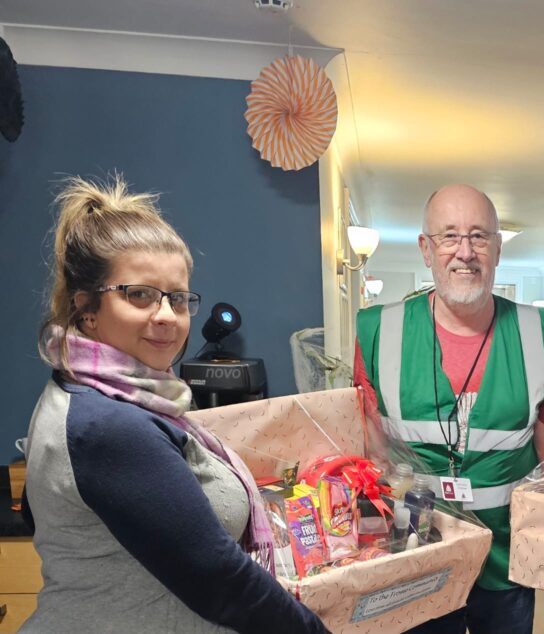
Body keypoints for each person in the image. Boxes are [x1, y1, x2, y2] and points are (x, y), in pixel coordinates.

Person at [21, 176, 328, 633]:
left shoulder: (97, 392)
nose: (166, 316)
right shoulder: (107, 423)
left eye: (178, 299)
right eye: (139, 294)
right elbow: (220, 581)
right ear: (86, 307)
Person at [353, 184, 544, 634]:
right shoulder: (377, 330)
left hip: (507, 556)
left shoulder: (540, 332)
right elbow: (372, 457)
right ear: (426, 249)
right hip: (415, 548)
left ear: (498, 248)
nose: (464, 252)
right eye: (449, 236)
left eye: (479, 236)